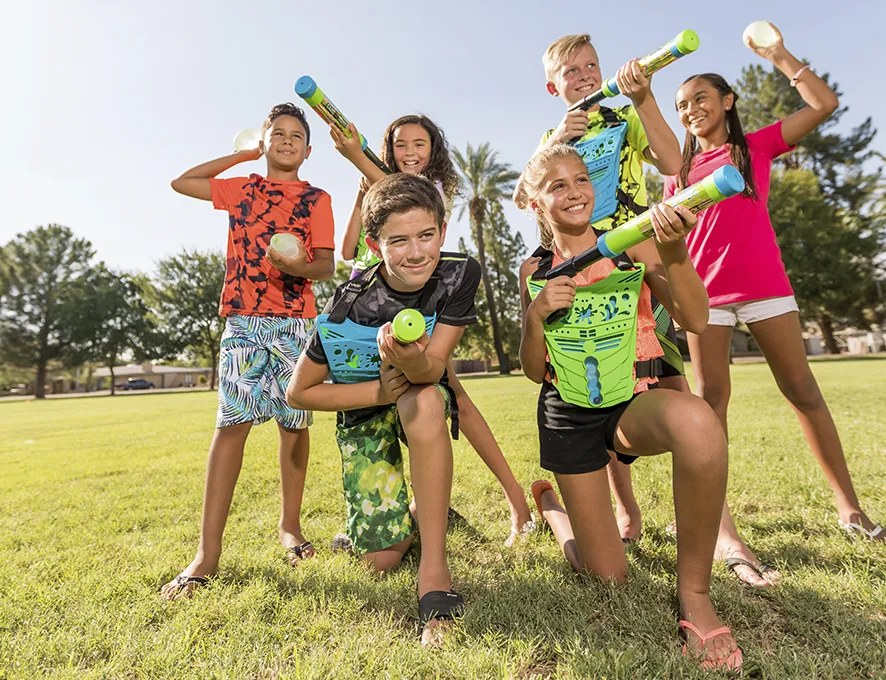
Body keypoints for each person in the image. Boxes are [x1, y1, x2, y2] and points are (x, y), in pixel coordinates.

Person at [662, 24, 886, 587]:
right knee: (710, 406)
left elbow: (824, 103)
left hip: (766, 288)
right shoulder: (675, 174)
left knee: (803, 391)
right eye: (681, 104)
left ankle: (851, 511)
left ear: (727, 102)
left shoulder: (754, 147)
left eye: (700, 98)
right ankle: (721, 531)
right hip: (707, 298)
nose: (690, 109)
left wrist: (779, 56)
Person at [516, 144, 741, 671]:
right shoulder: (534, 267)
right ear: (533, 202)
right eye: (557, 185)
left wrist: (677, 253)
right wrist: (533, 317)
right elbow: (533, 370)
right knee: (608, 578)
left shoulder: (631, 246)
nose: (573, 192)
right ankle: (555, 513)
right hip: (567, 412)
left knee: (699, 423)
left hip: (632, 402)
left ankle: (695, 595)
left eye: (580, 180)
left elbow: (695, 318)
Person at [287, 173, 477, 646]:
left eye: (426, 235)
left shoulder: (458, 274)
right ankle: (408, 515)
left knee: (427, 401)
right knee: (382, 559)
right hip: (365, 407)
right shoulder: (347, 305)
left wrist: (411, 364)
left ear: (441, 229)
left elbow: (432, 372)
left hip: (420, 394)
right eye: (399, 241)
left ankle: (434, 570)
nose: (416, 252)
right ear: (374, 244)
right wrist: (381, 392)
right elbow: (300, 394)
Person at [330, 114, 535, 545]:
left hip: (415, 306)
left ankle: (514, 498)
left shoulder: (431, 189)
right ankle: (396, 516)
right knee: (381, 413)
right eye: (400, 144)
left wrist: (358, 163)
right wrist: (360, 191)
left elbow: (401, 196)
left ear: (433, 151)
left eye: (419, 144)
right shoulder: (374, 185)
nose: (409, 152)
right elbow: (347, 250)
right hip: (367, 312)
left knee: (450, 395)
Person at [522, 33, 693, 543]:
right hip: (580, 276)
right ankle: (625, 510)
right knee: (596, 390)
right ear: (554, 87)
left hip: (635, 267)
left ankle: (714, 524)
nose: (586, 75)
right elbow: (522, 192)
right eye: (571, 71)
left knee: (673, 383)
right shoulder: (552, 133)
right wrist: (556, 139)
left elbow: (671, 164)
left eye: (591, 65)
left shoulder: (624, 117)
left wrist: (643, 97)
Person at [161, 103, 336, 600]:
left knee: (294, 425)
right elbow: (182, 181)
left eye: (295, 135)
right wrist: (241, 156)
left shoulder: (317, 199)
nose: (285, 141)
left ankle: (290, 528)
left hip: (297, 324)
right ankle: (206, 556)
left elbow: (325, 266)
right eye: (276, 134)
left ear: (307, 148)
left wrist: (296, 265)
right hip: (243, 324)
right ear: (264, 141)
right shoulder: (243, 190)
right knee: (229, 427)